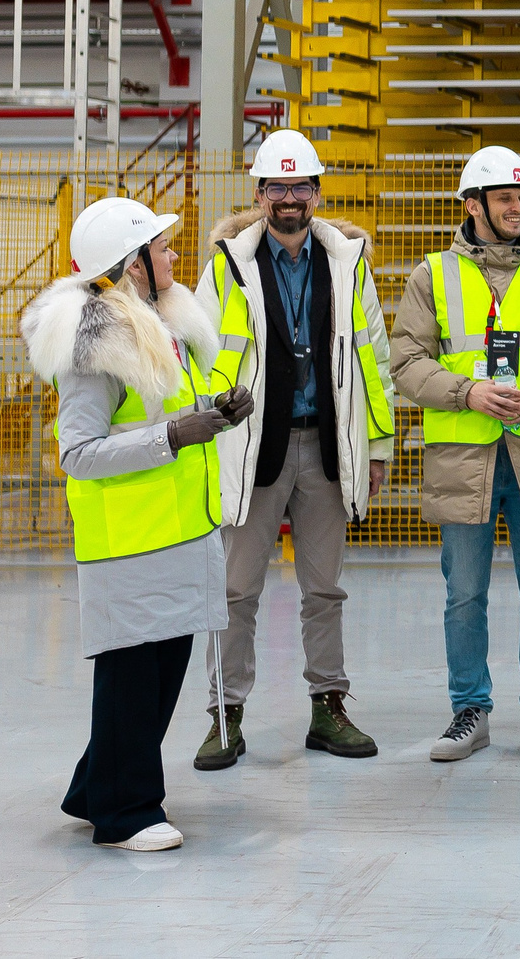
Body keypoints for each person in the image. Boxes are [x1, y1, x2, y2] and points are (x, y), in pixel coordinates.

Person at [24, 195, 248, 851]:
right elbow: (79, 453)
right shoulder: (95, 350)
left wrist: (213, 408)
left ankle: (97, 786)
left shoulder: (157, 326)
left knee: (160, 675)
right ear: (131, 264)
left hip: (173, 532)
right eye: (161, 247)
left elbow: (162, 412)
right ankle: (125, 812)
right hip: (127, 541)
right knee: (130, 679)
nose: (175, 255)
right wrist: (176, 435)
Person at [191, 128, 394, 771]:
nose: (288, 199)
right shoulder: (227, 265)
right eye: (276, 188)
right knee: (234, 590)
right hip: (252, 449)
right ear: (259, 194)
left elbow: (375, 361)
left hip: (328, 447)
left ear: (316, 194)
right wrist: (207, 434)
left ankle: (329, 706)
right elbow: (199, 358)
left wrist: (379, 446)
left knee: (324, 589)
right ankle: (225, 715)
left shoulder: (349, 262)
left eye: (300, 187)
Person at [391, 146, 520, 765]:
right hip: (464, 456)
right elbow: (405, 363)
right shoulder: (431, 275)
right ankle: (470, 711)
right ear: (472, 205)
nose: (519, 207)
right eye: (506, 197)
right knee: (464, 594)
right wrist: (468, 390)